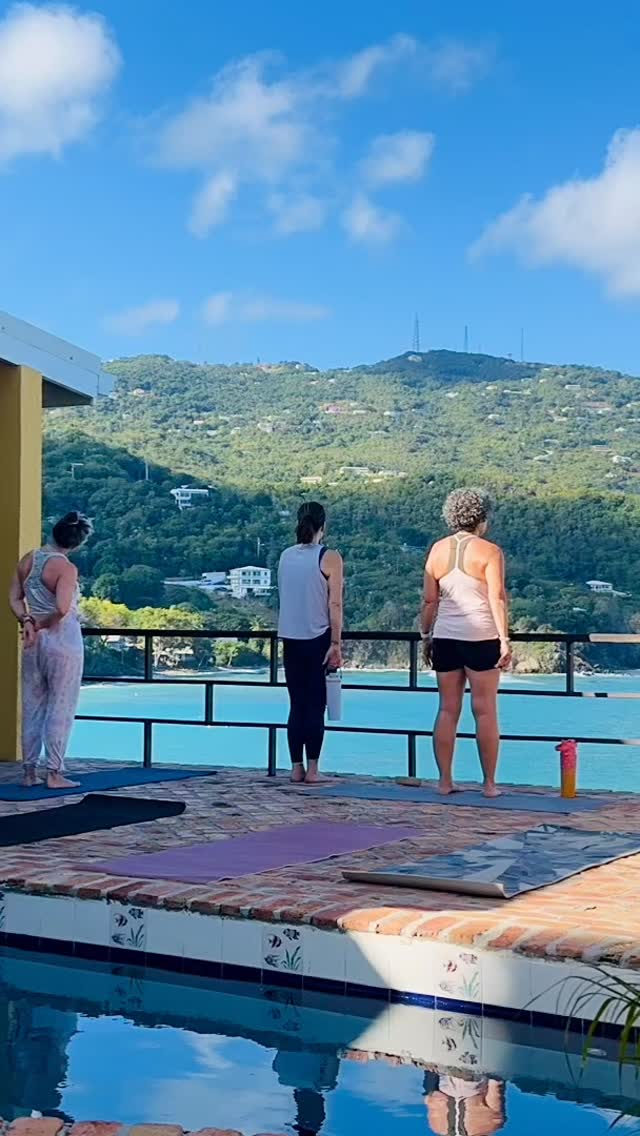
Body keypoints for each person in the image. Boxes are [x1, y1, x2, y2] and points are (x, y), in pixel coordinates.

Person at [420, 489, 510, 798]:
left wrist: (425, 635)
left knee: (447, 709)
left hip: (445, 636)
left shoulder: (437, 550)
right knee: (485, 711)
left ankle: (445, 781)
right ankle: (489, 784)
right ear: (481, 518)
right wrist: (504, 640)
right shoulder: (490, 552)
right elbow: (497, 598)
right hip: (481, 637)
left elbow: (429, 601)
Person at [9, 511, 93, 790]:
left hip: (33, 642)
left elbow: (14, 597)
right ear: (76, 544)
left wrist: (27, 622)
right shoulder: (65, 568)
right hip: (63, 641)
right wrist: (41, 624)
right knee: (61, 704)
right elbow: (61, 609)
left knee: (32, 705)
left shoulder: (28, 559)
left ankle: (29, 772)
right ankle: (55, 772)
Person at [278, 502, 343, 784]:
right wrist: (336, 643)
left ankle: (296, 768)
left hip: (290, 638)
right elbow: (335, 603)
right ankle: (314, 769)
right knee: (316, 705)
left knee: (297, 704)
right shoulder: (329, 557)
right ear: (323, 526)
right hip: (318, 638)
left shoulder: (285, 556)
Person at [424, 1071, 506, 1135]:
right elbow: (496, 1087)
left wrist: (432, 1091)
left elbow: (496, 1085)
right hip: (456, 1079)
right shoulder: (437, 1126)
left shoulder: (437, 1126)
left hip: (465, 1080)